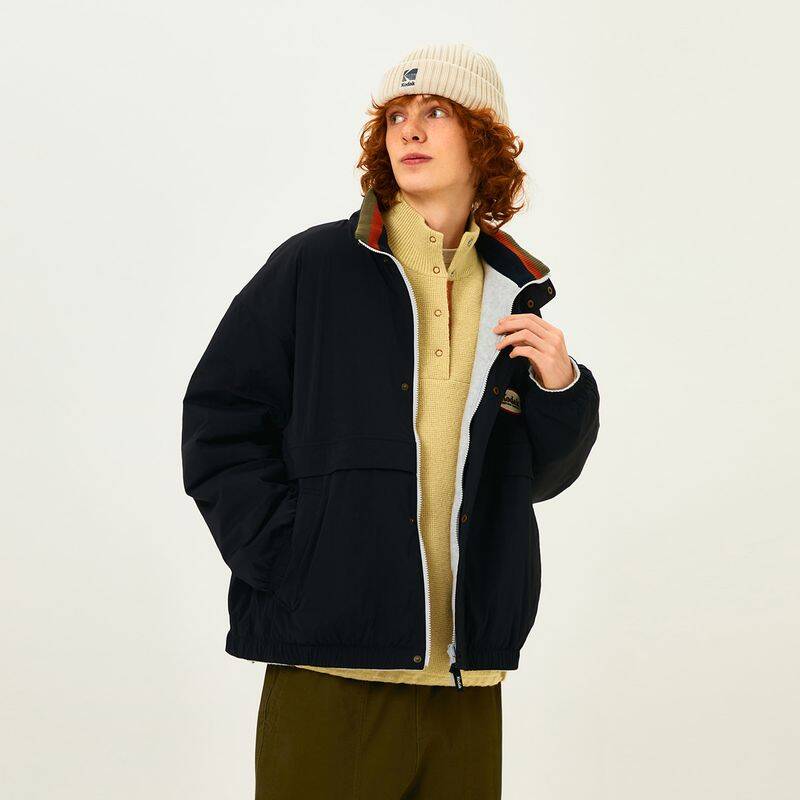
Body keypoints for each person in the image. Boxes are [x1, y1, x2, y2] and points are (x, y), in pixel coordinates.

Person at [181, 42, 600, 799]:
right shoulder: (314, 267)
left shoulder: (514, 294)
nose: (409, 128)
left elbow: (537, 479)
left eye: (436, 111)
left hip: (466, 677)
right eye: (396, 115)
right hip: (329, 667)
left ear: (485, 139)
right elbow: (220, 420)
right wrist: (292, 561)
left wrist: (562, 388)